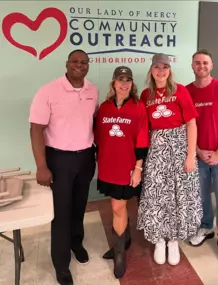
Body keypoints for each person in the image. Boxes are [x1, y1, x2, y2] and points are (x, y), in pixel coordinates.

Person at [29, 49, 98, 285]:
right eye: (75, 62)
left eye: (84, 62)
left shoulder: (93, 90)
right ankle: (61, 263)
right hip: (58, 159)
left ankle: (76, 243)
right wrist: (41, 166)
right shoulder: (48, 91)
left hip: (86, 157)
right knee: (60, 212)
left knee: (79, 205)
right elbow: (36, 128)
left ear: (88, 66)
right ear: (67, 64)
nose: (79, 65)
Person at [137, 53, 203, 266]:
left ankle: (173, 240)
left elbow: (191, 123)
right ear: (151, 70)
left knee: (178, 194)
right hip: (157, 148)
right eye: (157, 67)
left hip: (180, 146)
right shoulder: (146, 95)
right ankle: (159, 240)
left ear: (169, 70)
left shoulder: (179, 90)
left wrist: (190, 154)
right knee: (157, 193)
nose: (161, 70)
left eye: (165, 66)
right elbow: (143, 128)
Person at [94, 66, 149, 278]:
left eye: (128, 80)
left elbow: (142, 139)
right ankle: (123, 240)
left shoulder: (138, 107)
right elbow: (99, 137)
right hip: (109, 167)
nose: (124, 83)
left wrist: (138, 168)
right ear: (113, 83)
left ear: (132, 84)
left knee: (118, 206)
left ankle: (119, 253)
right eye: (120, 80)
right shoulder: (104, 107)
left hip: (128, 168)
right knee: (118, 206)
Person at [186, 49, 218, 263]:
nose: (201, 66)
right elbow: (186, 125)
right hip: (199, 155)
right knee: (202, 198)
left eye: (205, 63)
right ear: (192, 66)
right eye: (197, 63)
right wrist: (197, 150)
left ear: (212, 65)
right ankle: (206, 227)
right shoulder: (187, 91)